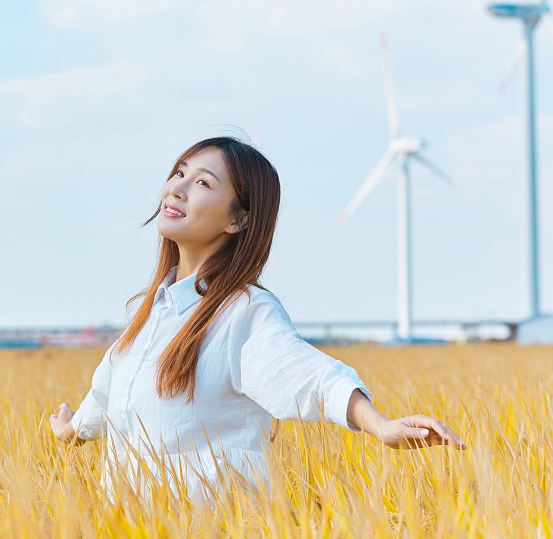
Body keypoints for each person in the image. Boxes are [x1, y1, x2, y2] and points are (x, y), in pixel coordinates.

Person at [49, 136, 465, 504]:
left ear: (238, 219)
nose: (176, 188)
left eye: (202, 183)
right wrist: (68, 431)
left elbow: (309, 375)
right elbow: (107, 398)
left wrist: (379, 425)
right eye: (179, 172)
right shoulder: (147, 315)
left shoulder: (244, 312)